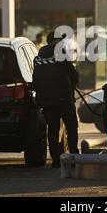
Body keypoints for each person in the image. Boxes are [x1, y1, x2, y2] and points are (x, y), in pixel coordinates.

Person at [33, 31, 79, 168]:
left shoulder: (38, 59)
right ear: (55, 42)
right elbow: (73, 75)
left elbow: (35, 81)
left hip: (47, 102)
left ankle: (56, 160)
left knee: (52, 130)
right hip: (64, 100)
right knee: (71, 127)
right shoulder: (61, 55)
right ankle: (73, 157)